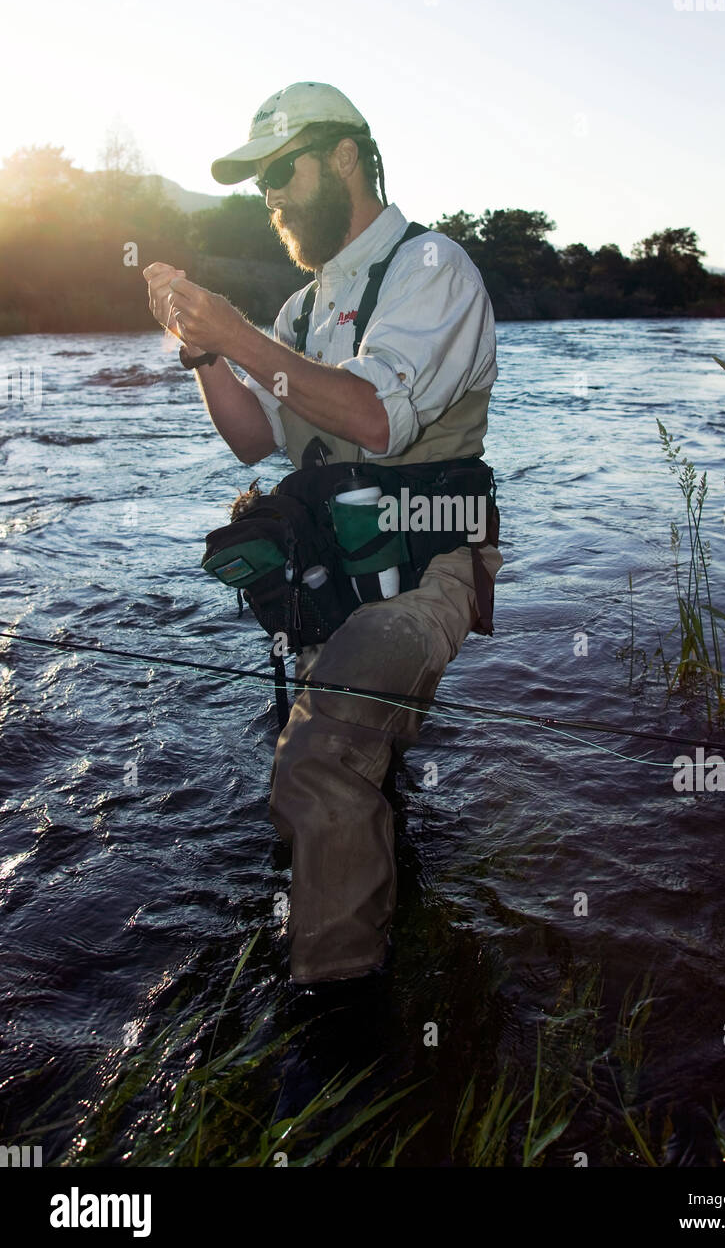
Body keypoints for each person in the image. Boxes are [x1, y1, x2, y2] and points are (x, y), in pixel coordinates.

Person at [143, 81, 501, 987]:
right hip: (334, 578)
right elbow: (252, 437)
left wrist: (241, 334)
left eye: (281, 173)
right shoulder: (304, 311)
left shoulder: (432, 269)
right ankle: (382, 885)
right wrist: (204, 348)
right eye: (258, 183)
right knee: (344, 760)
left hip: (426, 573)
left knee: (317, 758)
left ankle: (335, 1023)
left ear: (346, 157)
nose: (268, 198)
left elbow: (378, 422)